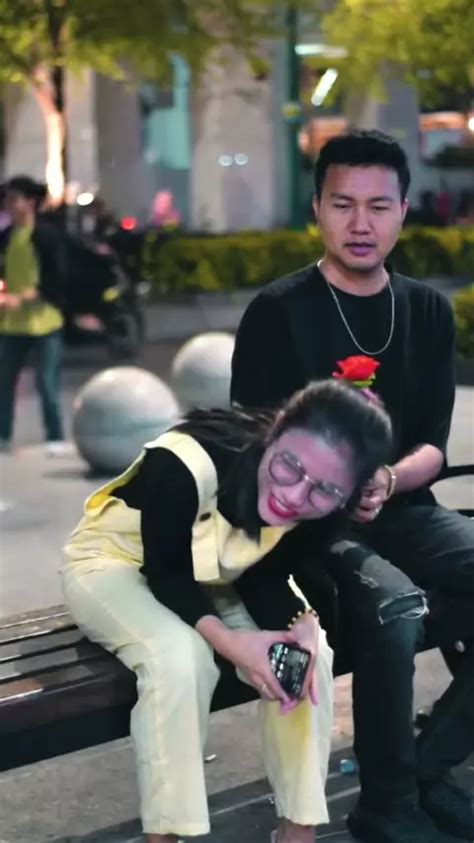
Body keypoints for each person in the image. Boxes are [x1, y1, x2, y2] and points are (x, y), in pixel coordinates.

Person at [231, 130, 474, 843]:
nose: (360, 223)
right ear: (317, 209)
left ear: (403, 211)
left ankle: (429, 767)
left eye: (378, 205)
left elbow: (433, 444)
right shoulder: (278, 310)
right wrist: (330, 487)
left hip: (404, 506)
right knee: (393, 606)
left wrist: (389, 477)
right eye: (343, 205)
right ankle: (387, 805)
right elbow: (250, 449)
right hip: (307, 527)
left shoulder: (426, 310)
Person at [62, 379, 393, 843]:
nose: (295, 497)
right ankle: (167, 835)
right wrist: (233, 644)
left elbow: (269, 570)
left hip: (220, 570)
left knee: (306, 657)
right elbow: (167, 573)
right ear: (276, 430)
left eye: (324, 490)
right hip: (119, 560)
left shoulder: (328, 504)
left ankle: (297, 830)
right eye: (289, 466)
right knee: (179, 657)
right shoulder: (184, 462)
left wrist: (300, 625)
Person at [0, 175, 68, 454]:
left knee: (46, 382)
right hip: (12, 323)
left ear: (30, 202)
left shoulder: (45, 235)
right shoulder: (6, 237)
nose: (8, 205)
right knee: (4, 382)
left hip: (45, 321)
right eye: (6, 200)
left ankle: (55, 436)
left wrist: (27, 295)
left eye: (14, 199)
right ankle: (3, 435)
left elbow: (56, 277)